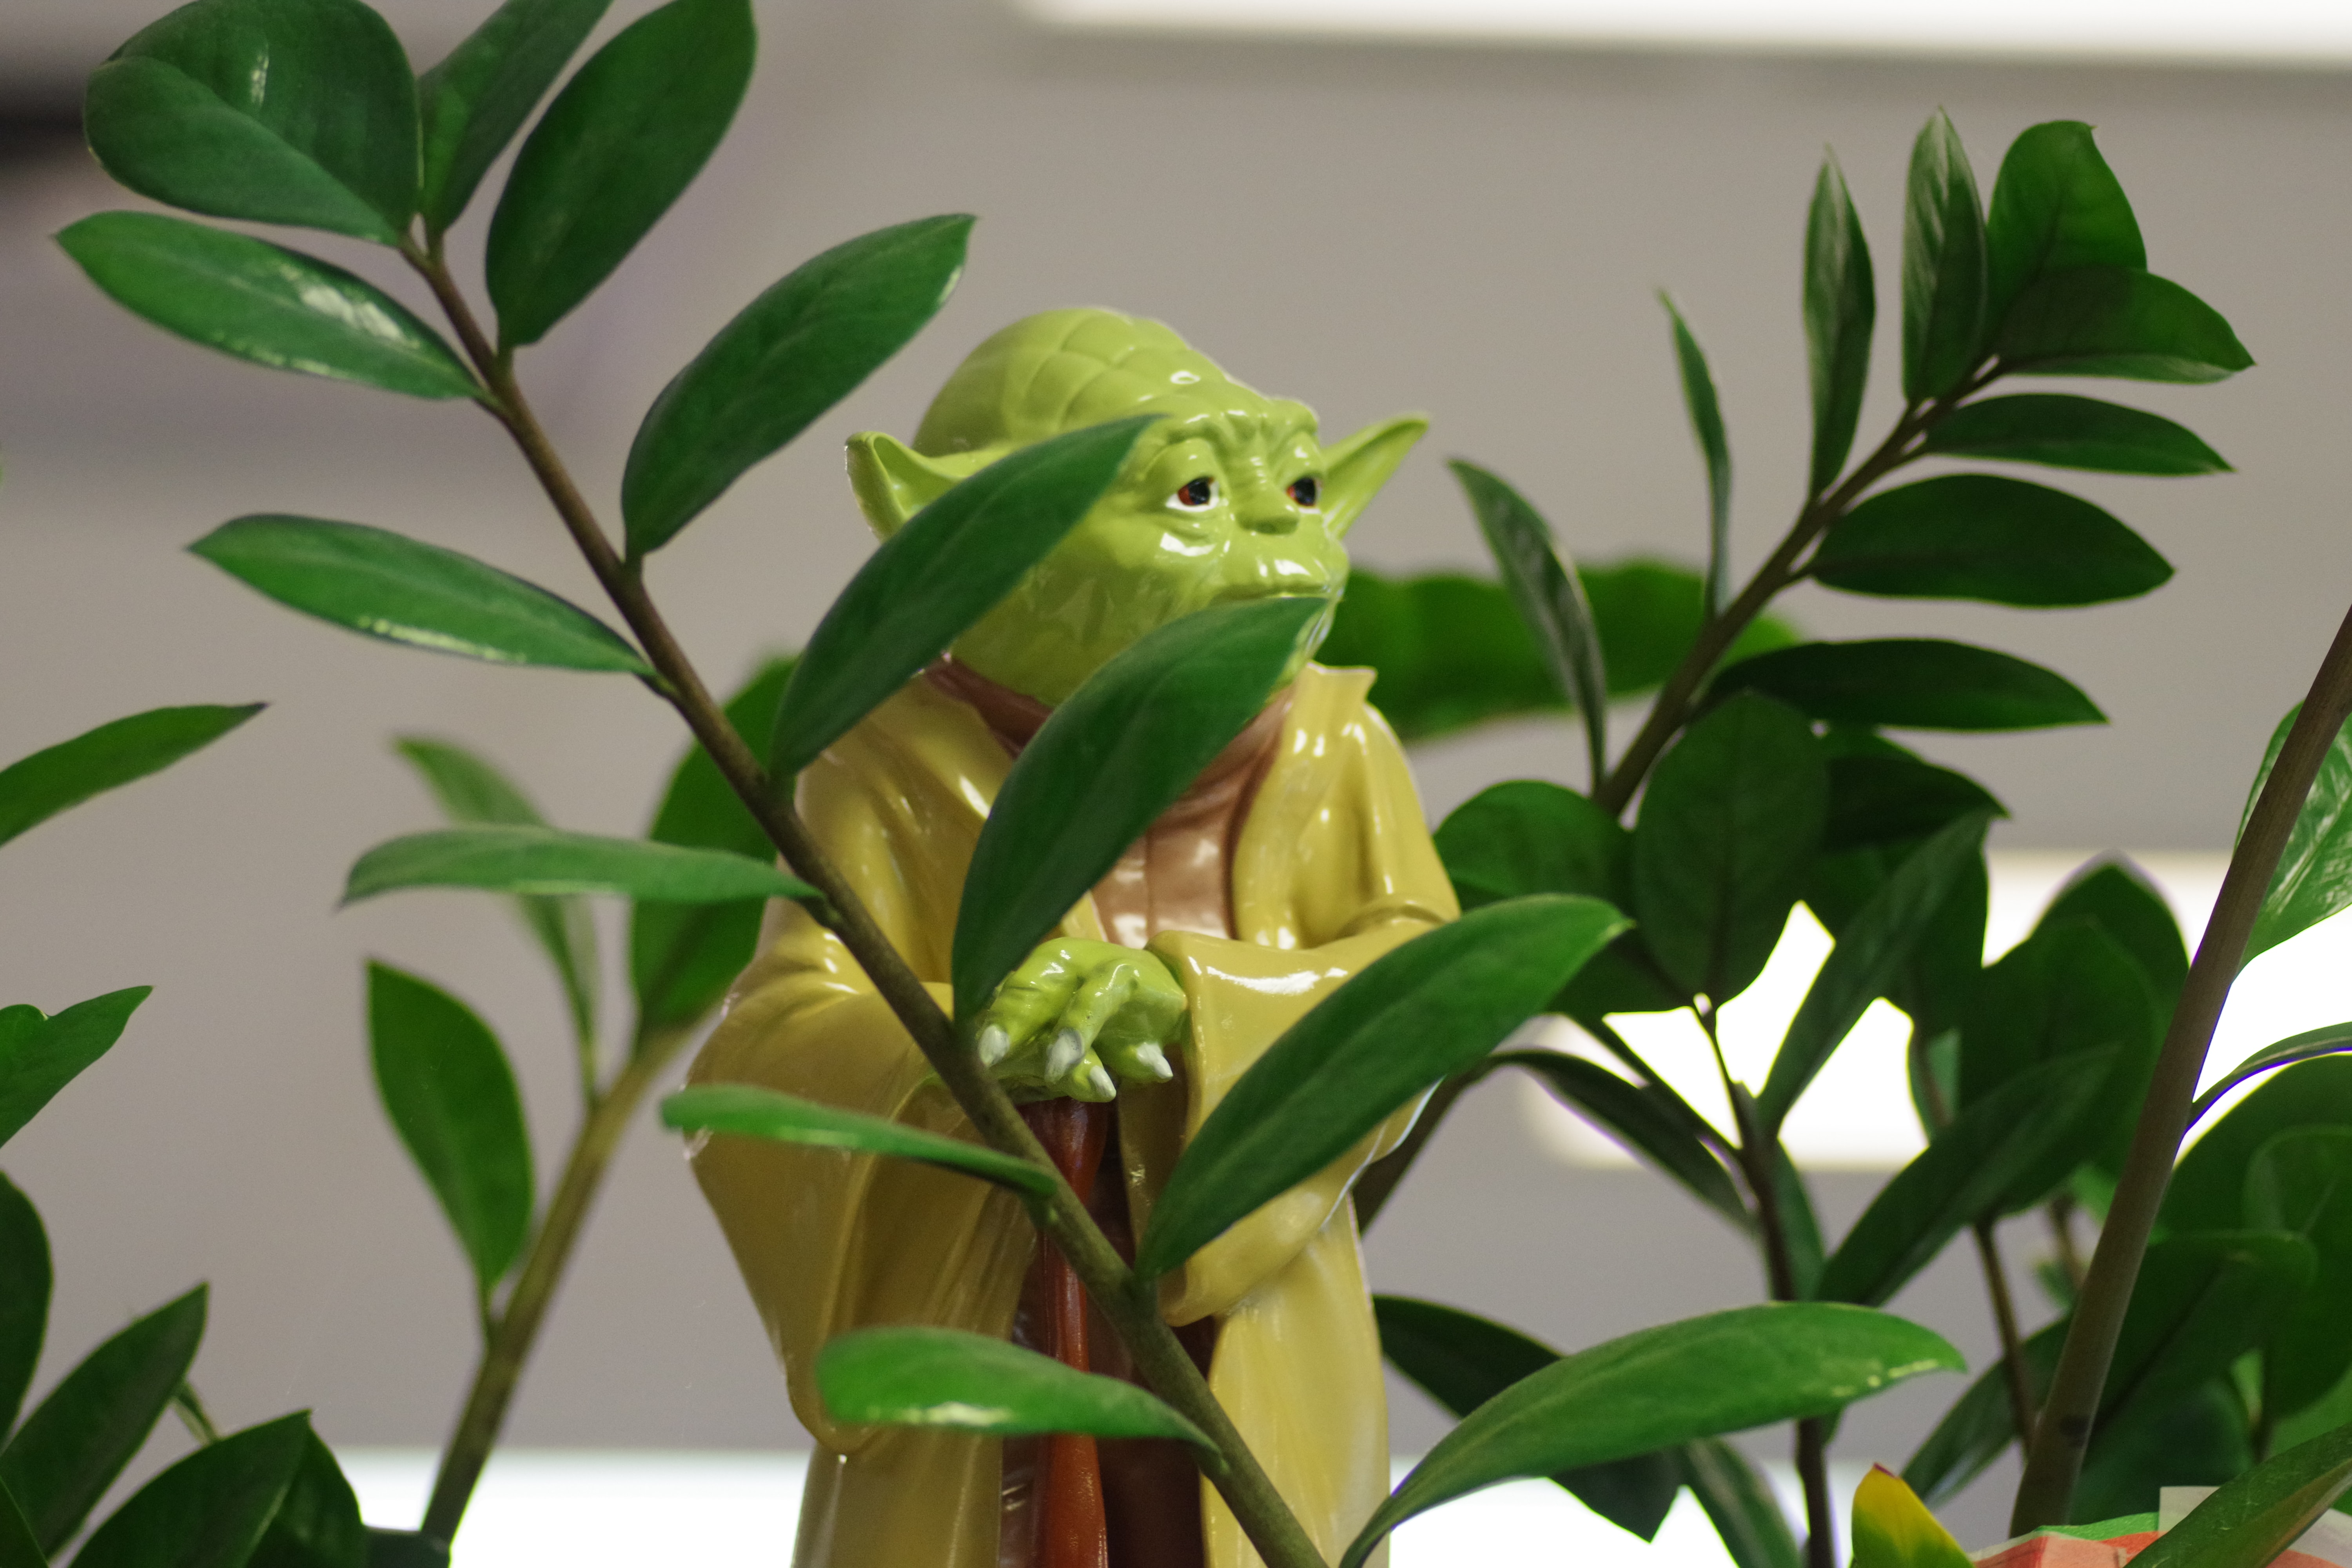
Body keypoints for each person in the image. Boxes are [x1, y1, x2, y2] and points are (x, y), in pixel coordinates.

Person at [688, 308, 1454, 1568]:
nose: (1282, 538)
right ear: (974, 541)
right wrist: (957, 1040)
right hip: (992, 1305)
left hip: (1247, 1318)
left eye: (1300, 490)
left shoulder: (1335, 751)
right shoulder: (879, 767)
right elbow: (770, 1046)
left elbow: (1426, 989)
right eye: (1195, 491)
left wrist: (1193, 1006)